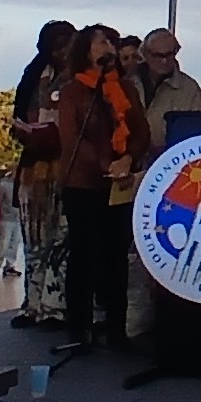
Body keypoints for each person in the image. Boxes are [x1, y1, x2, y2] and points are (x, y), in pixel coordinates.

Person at [56, 24, 149, 349]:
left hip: (119, 183)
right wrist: (105, 165)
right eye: (100, 42)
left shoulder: (124, 87)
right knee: (84, 254)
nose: (107, 46)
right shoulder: (72, 91)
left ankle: (116, 326)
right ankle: (79, 327)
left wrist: (128, 160)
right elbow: (72, 140)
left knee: (115, 255)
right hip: (82, 184)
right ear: (86, 50)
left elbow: (141, 131)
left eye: (110, 41)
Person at [11, 20, 74, 328]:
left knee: (60, 241)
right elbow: (18, 116)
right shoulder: (33, 76)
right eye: (57, 44)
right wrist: (25, 131)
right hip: (34, 168)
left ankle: (55, 305)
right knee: (33, 239)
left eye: (67, 43)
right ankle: (31, 304)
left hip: (67, 168)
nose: (62, 50)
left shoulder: (78, 79)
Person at [141, 27, 201, 156]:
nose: (164, 60)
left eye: (169, 54)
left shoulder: (190, 89)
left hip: (171, 162)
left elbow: (200, 133)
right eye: (158, 55)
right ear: (145, 54)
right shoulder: (128, 82)